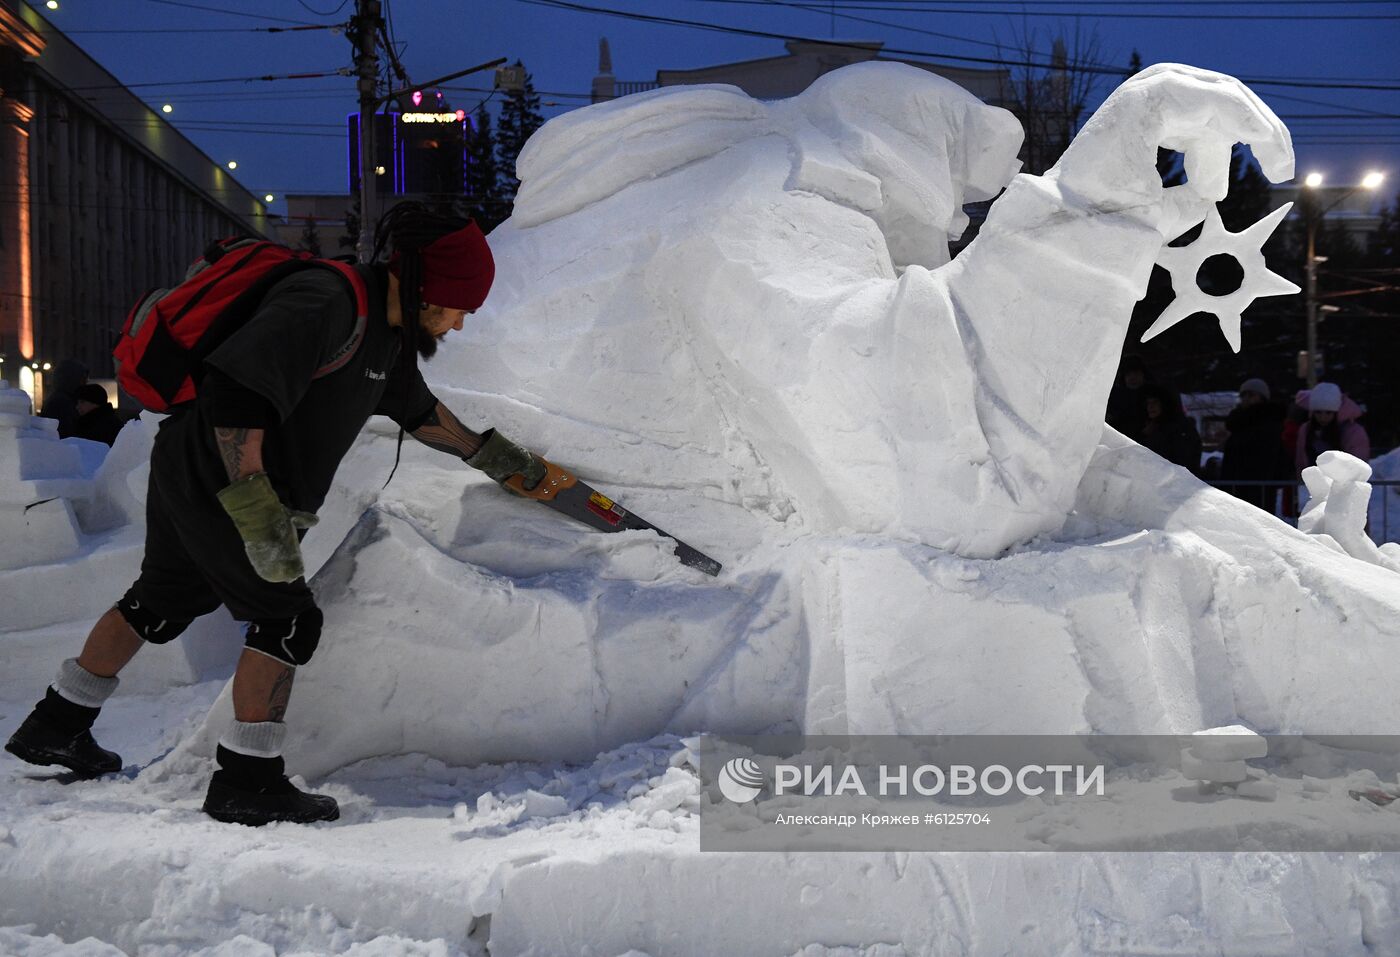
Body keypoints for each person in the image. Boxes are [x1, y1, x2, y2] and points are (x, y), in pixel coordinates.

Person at [5, 203, 555, 826]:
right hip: (220, 469)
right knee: (288, 621)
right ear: (424, 280)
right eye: (457, 305)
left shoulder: (389, 336)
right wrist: (256, 508)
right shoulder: (328, 303)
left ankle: (57, 723)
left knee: (159, 597)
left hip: (197, 467)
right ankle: (249, 781)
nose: (457, 324)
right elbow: (234, 393)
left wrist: (496, 459)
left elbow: (421, 414)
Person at [1219, 377, 1289, 512]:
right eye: (1243, 395)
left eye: (1251, 395)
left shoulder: (1268, 423)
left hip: (1258, 489)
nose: (1246, 398)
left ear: (1262, 397)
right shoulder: (1238, 422)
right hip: (1237, 487)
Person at [1294, 381, 1370, 477]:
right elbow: (1301, 460)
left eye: (1328, 412)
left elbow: (1358, 465)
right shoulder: (1306, 429)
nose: (1323, 417)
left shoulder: (1353, 432)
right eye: (1318, 412)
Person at [1137, 383, 1201, 473]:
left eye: (1155, 402)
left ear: (1164, 404)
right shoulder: (1150, 428)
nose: (1150, 407)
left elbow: (1183, 461)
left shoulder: (1180, 428)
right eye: (1148, 403)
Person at [1105, 353, 1153, 441]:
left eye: (1136, 373)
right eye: (1129, 374)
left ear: (1143, 374)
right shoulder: (1115, 396)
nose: (1132, 377)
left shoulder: (1154, 393)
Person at [40, 358, 87, 437]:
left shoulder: (61, 400)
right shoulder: (61, 403)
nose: (85, 383)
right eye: (83, 379)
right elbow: (68, 434)